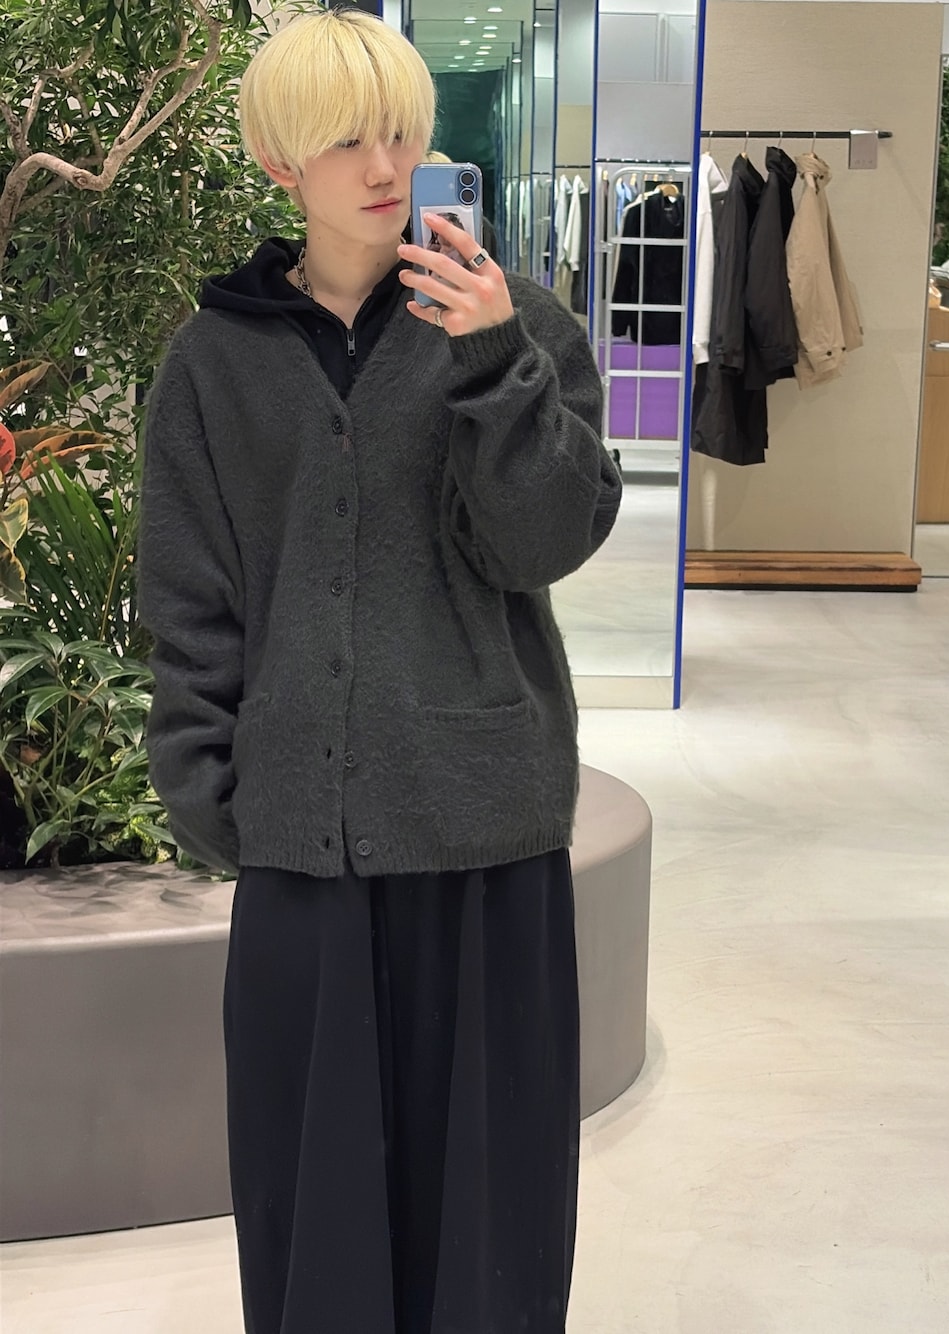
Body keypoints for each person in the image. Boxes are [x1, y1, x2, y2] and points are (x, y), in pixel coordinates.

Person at [136, 7, 622, 1334]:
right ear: (279, 160)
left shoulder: (518, 324)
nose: (385, 165)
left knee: (490, 1229)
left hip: (485, 846)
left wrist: (493, 364)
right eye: (347, 138)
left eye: (402, 132)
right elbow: (190, 598)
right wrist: (215, 792)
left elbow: (546, 543)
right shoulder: (215, 360)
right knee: (317, 1223)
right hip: (305, 854)